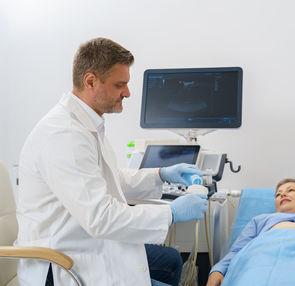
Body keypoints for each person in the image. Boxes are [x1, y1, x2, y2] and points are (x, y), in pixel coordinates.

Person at [15, 38, 208, 286]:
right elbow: (101, 218)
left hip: (87, 244)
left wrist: (160, 174)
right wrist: (169, 213)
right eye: (120, 85)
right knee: (161, 263)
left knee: (169, 260)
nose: (127, 93)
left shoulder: (87, 123)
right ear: (91, 81)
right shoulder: (65, 135)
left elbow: (112, 179)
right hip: (65, 264)